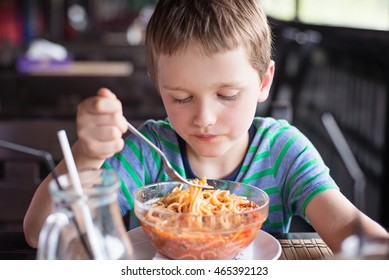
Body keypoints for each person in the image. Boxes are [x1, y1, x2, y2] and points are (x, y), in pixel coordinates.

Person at [23, 0, 388, 253]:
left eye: (227, 94)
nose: (204, 118)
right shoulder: (145, 151)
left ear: (264, 82)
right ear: (158, 85)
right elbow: (39, 234)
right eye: (181, 98)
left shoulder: (283, 151)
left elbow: (346, 228)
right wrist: (86, 155)